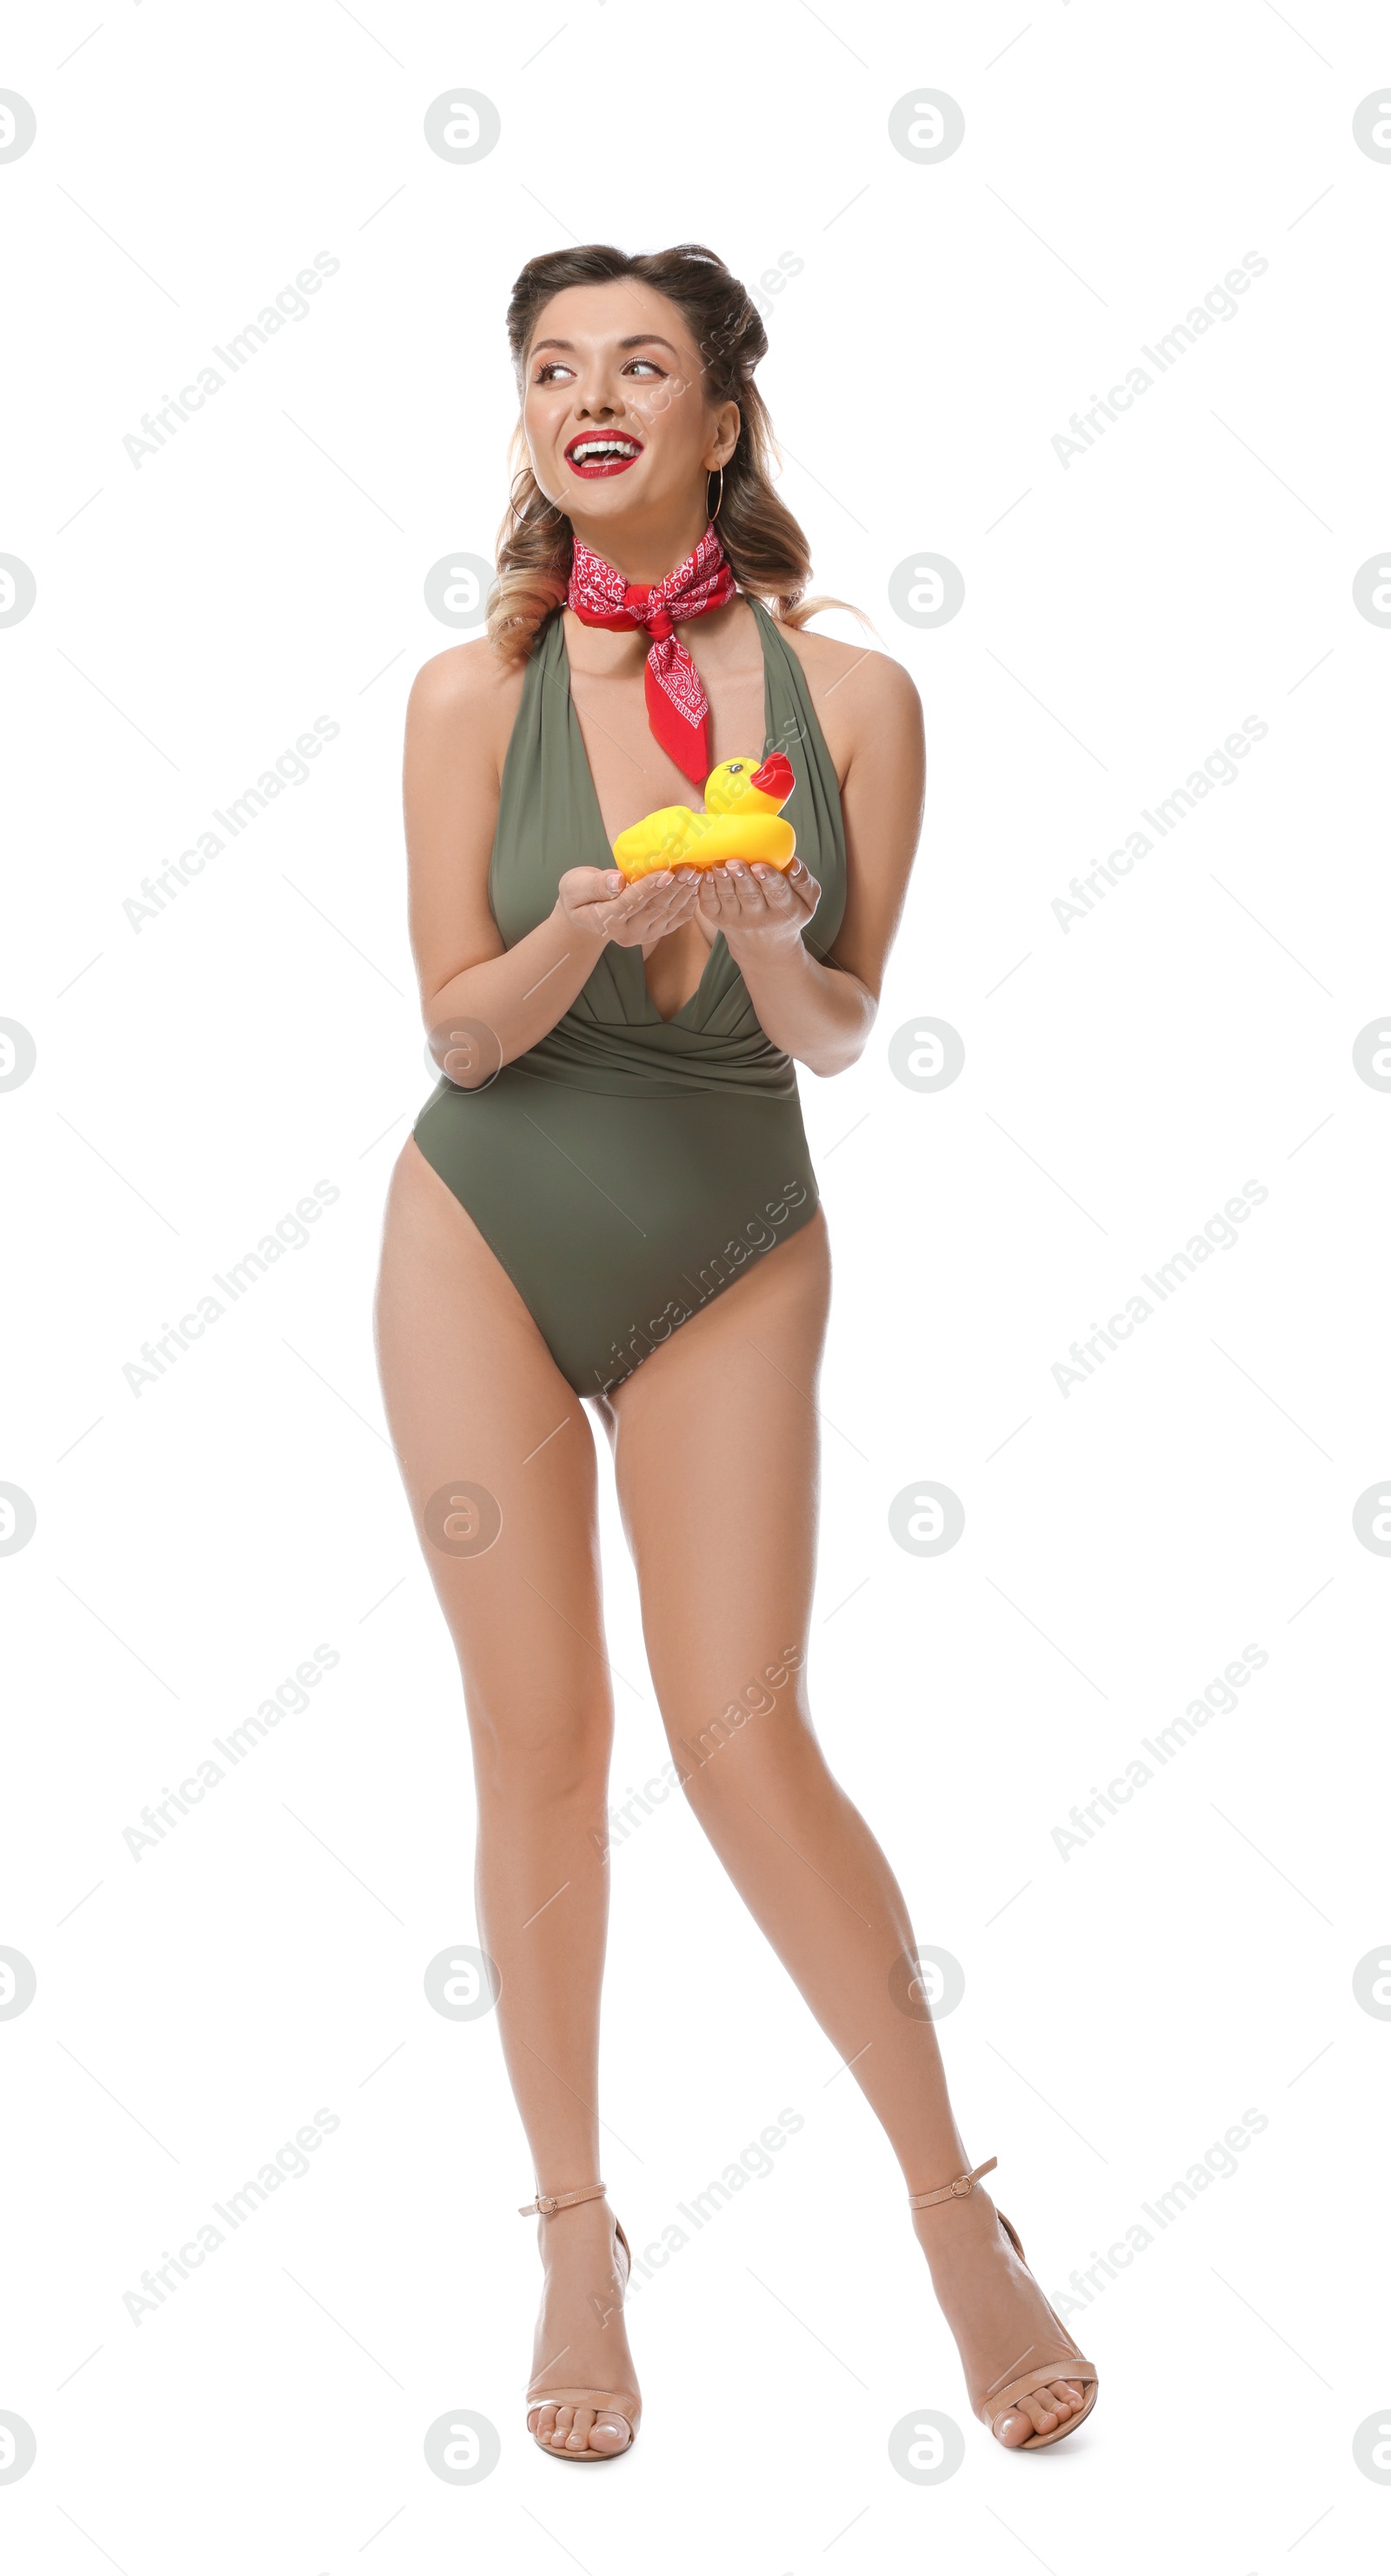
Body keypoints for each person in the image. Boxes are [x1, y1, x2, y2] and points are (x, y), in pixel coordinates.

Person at [374, 241, 1097, 2462]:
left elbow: (841, 1033)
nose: (587, 393)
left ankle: (951, 2211)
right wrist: (575, 923)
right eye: (549, 366)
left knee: (741, 1731)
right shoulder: (465, 698)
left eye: (640, 365)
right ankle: (575, 2232)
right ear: (527, 422)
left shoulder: (851, 702)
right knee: (542, 1747)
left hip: (732, 1235)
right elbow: (457, 1029)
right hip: (485, 1219)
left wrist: (774, 937)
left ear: (718, 424)